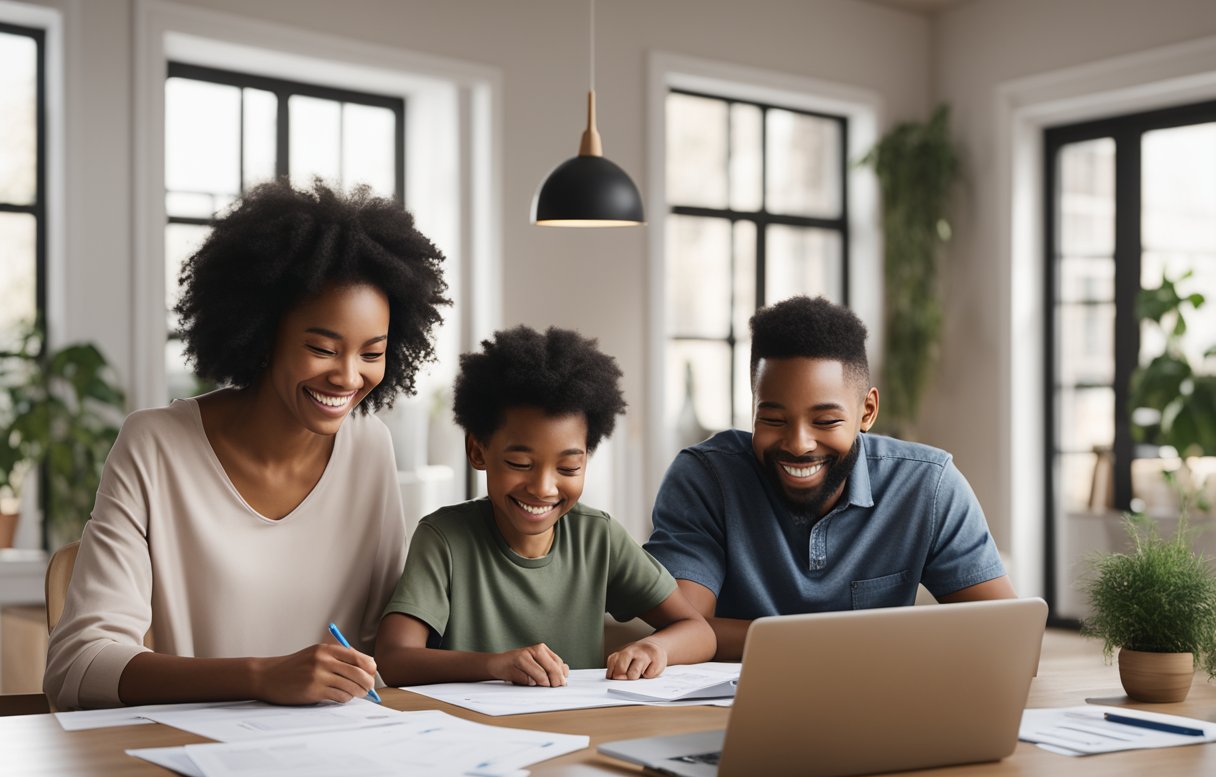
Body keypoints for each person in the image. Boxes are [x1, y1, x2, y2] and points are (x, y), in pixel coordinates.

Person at [44, 180, 450, 710]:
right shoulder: (155, 446)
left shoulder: (370, 447)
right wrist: (261, 676)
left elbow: (383, 648)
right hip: (195, 762)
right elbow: (78, 667)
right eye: (322, 348)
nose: (348, 377)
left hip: (343, 755)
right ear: (262, 335)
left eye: (371, 353)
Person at [645, 295, 1015, 660]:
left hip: (879, 708)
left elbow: (1006, 640)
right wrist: (851, 645)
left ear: (866, 411)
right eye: (773, 419)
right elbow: (683, 627)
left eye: (825, 421)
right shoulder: (705, 479)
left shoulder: (927, 486)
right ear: (754, 405)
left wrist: (815, 645)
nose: (799, 444)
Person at [375, 326, 715, 686]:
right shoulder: (444, 539)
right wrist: (495, 665)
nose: (542, 488)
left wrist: (655, 648)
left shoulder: (598, 537)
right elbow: (395, 658)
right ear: (478, 451)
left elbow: (698, 631)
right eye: (520, 464)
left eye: (568, 468)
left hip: (573, 730)